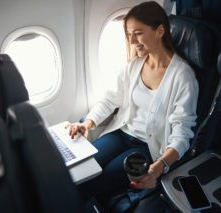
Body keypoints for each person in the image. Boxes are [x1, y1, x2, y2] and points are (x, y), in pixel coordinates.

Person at [67, 1, 198, 200]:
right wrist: (88, 123)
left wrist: (161, 165)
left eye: (138, 33)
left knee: (93, 183)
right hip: (120, 133)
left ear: (160, 31)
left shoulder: (183, 77)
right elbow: (110, 100)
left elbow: (183, 132)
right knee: (79, 172)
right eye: (129, 35)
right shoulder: (134, 65)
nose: (132, 40)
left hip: (146, 147)